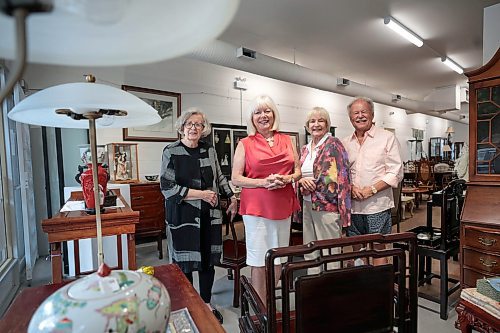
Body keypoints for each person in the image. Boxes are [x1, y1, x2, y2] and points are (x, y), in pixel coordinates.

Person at [160, 108, 237, 323]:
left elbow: (220, 177)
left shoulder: (208, 149)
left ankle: (205, 303)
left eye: (199, 124)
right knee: (184, 265)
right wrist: (201, 194)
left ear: (204, 129)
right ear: (182, 127)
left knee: (207, 262)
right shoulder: (171, 151)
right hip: (183, 218)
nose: (194, 128)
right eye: (190, 124)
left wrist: (231, 197)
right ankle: (187, 303)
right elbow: (167, 187)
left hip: (208, 216)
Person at [232, 95, 301, 303]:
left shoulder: (288, 140)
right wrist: (264, 182)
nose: (263, 116)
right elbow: (236, 178)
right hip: (256, 208)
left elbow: (297, 171)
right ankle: (259, 307)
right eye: (257, 112)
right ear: (251, 118)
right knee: (258, 258)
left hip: (282, 205)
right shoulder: (245, 143)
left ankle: (269, 300)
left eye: (267, 111)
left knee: (278, 255)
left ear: (274, 114)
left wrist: (287, 178)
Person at [342, 96, 403, 264]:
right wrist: (352, 188)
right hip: (353, 206)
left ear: (372, 115)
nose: (360, 116)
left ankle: (379, 287)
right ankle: (362, 285)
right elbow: (342, 172)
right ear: (350, 117)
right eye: (356, 113)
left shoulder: (387, 137)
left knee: (378, 248)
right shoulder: (345, 143)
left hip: (377, 205)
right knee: (356, 246)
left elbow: (395, 171)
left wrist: (372, 189)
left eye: (364, 112)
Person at [298, 107, 351, 267]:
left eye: (320, 120)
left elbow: (338, 178)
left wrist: (309, 187)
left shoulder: (333, 145)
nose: (316, 124)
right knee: (311, 252)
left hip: (327, 206)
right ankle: (314, 288)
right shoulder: (305, 149)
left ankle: (330, 290)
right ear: (307, 125)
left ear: (327, 124)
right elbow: (297, 173)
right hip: (308, 204)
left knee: (329, 254)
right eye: (312, 121)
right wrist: (301, 182)